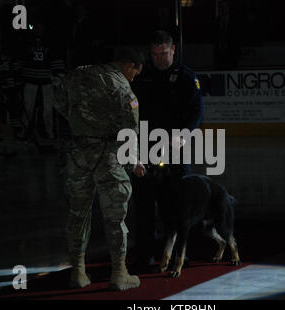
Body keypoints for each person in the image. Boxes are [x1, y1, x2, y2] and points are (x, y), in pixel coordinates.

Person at [52, 47, 146, 290]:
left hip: (78, 154)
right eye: (135, 73)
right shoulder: (123, 87)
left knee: (77, 215)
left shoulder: (75, 75)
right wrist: (133, 160)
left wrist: (82, 124)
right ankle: (119, 273)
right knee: (115, 217)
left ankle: (79, 273)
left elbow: (59, 104)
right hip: (108, 156)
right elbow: (130, 130)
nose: (133, 78)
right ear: (129, 65)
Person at [131, 30, 203, 267]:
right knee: (143, 203)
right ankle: (145, 252)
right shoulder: (142, 76)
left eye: (163, 53)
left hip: (175, 147)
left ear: (173, 50)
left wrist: (184, 135)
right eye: (154, 54)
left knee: (177, 203)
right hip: (147, 147)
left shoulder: (185, 76)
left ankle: (178, 251)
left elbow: (196, 112)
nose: (159, 59)